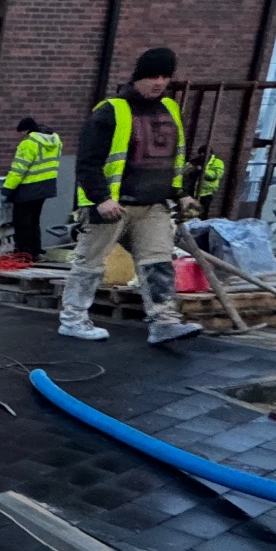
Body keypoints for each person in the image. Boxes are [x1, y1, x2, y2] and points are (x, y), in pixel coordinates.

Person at [58, 47, 203, 345]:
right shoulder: (111, 110)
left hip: (153, 205)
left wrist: (181, 194)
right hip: (112, 205)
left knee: (158, 263)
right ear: (138, 77)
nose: (159, 82)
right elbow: (87, 162)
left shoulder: (170, 111)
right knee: (90, 263)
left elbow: (173, 159)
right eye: (153, 76)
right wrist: (101, 198)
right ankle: (73, 319)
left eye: (165, 76)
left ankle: (164, 321)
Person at [3, 117, 62, 259]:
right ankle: (36, 251)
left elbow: (19, 169)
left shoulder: (29, 143)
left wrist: (8, 188)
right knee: (34, 220)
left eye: (20, 133)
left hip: (28, 187)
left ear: (26, 130)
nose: (20, 136)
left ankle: (24, 252)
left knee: (21, 221)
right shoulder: (55, 140)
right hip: (46, 186)